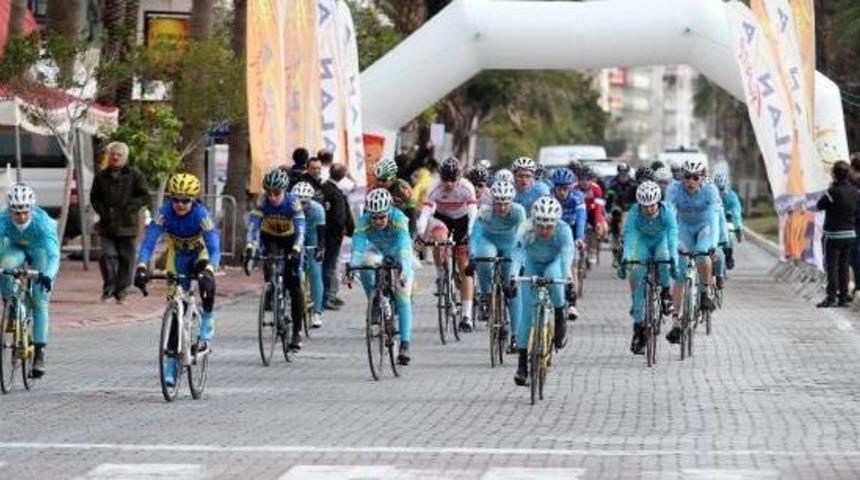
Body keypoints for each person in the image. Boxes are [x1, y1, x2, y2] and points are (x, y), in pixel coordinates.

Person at [135, 173, 220, 387]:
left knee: (206, 282)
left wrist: (209, 269)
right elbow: (148, 244)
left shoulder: (201, 215)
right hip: (178, 257)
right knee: (174, 311)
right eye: (176, 200)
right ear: (170, 198)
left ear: (194, 200)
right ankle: (172, 364)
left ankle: (207, 320)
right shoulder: (163, 214)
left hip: (200, 255)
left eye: (186, 200)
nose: (180, 205)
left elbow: (214, 248)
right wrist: (142, 266)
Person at [511, 196, 574, 387]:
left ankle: (560, 314)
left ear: (556, 223)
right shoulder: (525, 228)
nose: (545, 231)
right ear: (534, 222)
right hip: (532, 263)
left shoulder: (563, 230)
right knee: (526, 316)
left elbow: (566, 255)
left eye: (549, 226)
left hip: (553, 263)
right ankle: (522, 365)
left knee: (553, 277)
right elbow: (518, 254)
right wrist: (513, 276)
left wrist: (568, 277)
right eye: (541, 226)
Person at [243, 168, 307, 349]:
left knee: (294, 283)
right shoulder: (262, 202)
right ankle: (272, 291)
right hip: (270, 238)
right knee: (269, 265)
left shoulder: (292, 203)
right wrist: (249, 247)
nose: (272, 196)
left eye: (276, 193)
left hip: (290, 240)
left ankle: (296, 332)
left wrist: (296, 249)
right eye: (268, 192)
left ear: (284, 190)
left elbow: (301, 228)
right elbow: (253, 226)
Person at [350, 189, 415, 365]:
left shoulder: (399, 218)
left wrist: (405, 271)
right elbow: (357, 247)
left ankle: (405, 344)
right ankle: (375, 300)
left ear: (389, 212)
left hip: (398, 251)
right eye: (374, 218)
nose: (378, 221)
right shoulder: (364, 221)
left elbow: (404, 246)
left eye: (382, 217)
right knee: (365, 264)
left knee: (402, 297)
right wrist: (351, 269)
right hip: (376, 250)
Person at [0, 184, 58, 377]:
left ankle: (40, 351)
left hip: (41, 251)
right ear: (10, 211)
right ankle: (12, 304)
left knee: (40, 300)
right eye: (17, 213)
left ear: (31, 209)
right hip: (17, 249)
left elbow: (53, 255)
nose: (22, 217)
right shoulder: (4, 219)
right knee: (5, 267)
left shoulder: (43, 223)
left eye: (25, 212)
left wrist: (48, 275)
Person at [416, 156, 478, 332]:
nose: (449, 184)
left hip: (462, 220)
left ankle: (466, 315)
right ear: (440, 177)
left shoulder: (467, 187)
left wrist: (471, 232)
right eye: (445, 180)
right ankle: (442, 274)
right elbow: (426, 212)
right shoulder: (434, 187)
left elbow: (473, 212)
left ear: (459, 178)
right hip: (442, 219)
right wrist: (421, 231)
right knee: (439, 240)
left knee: (464, 265)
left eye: (453, 180)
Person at [617, 181, 678, 354]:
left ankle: (666, 294)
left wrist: (673, 256)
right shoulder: (634, 213)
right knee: (637, 282)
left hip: (661, 241)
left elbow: (672, 236)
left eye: (652, 206)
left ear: (658, 202)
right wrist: (627, 257)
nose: (649, 210)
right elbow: (629, 236)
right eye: (645, 207)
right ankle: (638, 331)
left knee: (663, 257)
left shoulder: (667, 212)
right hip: (641, 242)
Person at [664, 158, 720, 343]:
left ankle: (705, 294)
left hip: (704, 228)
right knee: (679, 276)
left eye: (695, 178)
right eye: (687, 177)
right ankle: (676, 323)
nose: (690, 182)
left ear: (702, 178)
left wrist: (713, 244)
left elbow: (714, 218)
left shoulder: (710, 191)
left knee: (703, 257)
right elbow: (669, 213)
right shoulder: (674, 189)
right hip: (684, 229)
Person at [466, 181, 525, 351]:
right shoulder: (485, 211)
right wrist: (472, 257)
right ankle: (485, 295)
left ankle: (516, 335)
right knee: (484, 258)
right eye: (498, 203)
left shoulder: (518, 211)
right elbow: (476, 236)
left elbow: (522, 240)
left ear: (511, 201)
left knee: (512, 288)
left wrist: (519, 267)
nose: (501, 207)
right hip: (488, 241)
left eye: (506, 203)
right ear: (493, 201)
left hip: (510, 245)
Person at [90, 141, 150, 303]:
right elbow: (95, 197)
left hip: (127, 225)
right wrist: (102, 210)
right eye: (113, 154)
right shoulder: (101, 176)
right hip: (107, 224)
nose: (115, 157)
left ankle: (121, 291)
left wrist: (132, 206)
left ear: (125, 157)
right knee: (107, 255)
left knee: (126, 259)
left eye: (119, 155)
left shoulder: (135, 175)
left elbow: (144, 195)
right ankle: (109, 288)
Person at [816, 160, 859, 308]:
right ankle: (843, 297)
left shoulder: (832, 192)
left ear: (834, 174)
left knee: (832, 266)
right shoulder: (855, 191)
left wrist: (829, 190)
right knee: (844, 266)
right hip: (850, 233)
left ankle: (831, 297)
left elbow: (819, 205)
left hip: (834, 235)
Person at [550, 168, 586, 320]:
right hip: (551, 234)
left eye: (566, 188)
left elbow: (581, 220)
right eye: (560, 188)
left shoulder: (577, 199)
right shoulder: (548, 198)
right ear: (555, 187)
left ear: (570, 187)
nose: (563, 192)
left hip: (570, 235)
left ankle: (572, 304)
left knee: (571, 267)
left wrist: (580, 237)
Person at [292, 181, 326, 327]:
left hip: (312, 238)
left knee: (316, 272)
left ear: (310, 200)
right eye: (299, 203)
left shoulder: (318, 209)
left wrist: (320, 248)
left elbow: (322, 235)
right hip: (296, 237)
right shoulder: (290, 208)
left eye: (305, 203)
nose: (302, 207)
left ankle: (317, 312)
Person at [321, 163, 354, 310]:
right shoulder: (333, 191)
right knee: (329, 266)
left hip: (330, 234)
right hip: (331, 235)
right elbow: (340, 216)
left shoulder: (329, 189)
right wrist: (346, 230)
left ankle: (330, 295)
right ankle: (326, 297)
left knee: (331, 266)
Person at [606, 163, 638, 267]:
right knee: (615, 228)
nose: (623, 176)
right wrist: (609, 212)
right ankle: (615, 254)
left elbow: (637, 200)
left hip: (630, 210)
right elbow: (609, 200)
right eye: (621, 174)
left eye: (625, 174)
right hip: (618, 209)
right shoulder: (613, 184)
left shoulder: (634, 184)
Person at [374, 158, 417, 235]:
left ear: (393, 179)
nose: (379, 183)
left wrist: (411, 236)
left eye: (383, 180)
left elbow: (412, 214)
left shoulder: (403, 188)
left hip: (402, 219)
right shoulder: (375, 188)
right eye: (378, 179)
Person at [575, 167, 608, 264]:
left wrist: (598, 222)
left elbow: (598, 207)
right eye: (582, 179)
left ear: (591, 180)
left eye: (587, 179)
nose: (584, 182)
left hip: (592, 210)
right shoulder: (574, 188)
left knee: (599, 228)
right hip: (579, 210)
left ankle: (593, 250)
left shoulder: (596, 189)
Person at [713, 168, 744, 271]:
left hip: (727, 220)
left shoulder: (732, 196)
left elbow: (736, 213)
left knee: (729, 235)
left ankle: (729, 255)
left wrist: (738, 227)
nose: (720, 192)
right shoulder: (710, 195)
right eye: (718, 189)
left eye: (722, 189)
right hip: (713, 220)